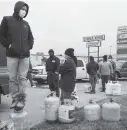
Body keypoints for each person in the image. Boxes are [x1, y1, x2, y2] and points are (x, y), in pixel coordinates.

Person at [0, 1, 34, 110]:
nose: (24, 11)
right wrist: (8, 45)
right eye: (22, 9)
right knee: (12, 78)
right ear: (17, 8)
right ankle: (14, 99)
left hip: (25, 56)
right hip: (12, 54)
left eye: (26, 10)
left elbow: (31, 38)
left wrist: (29, 47)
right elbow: (1, 35)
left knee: (22, 78)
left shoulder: (26, 24)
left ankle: (21, 99)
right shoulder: (7, 19)